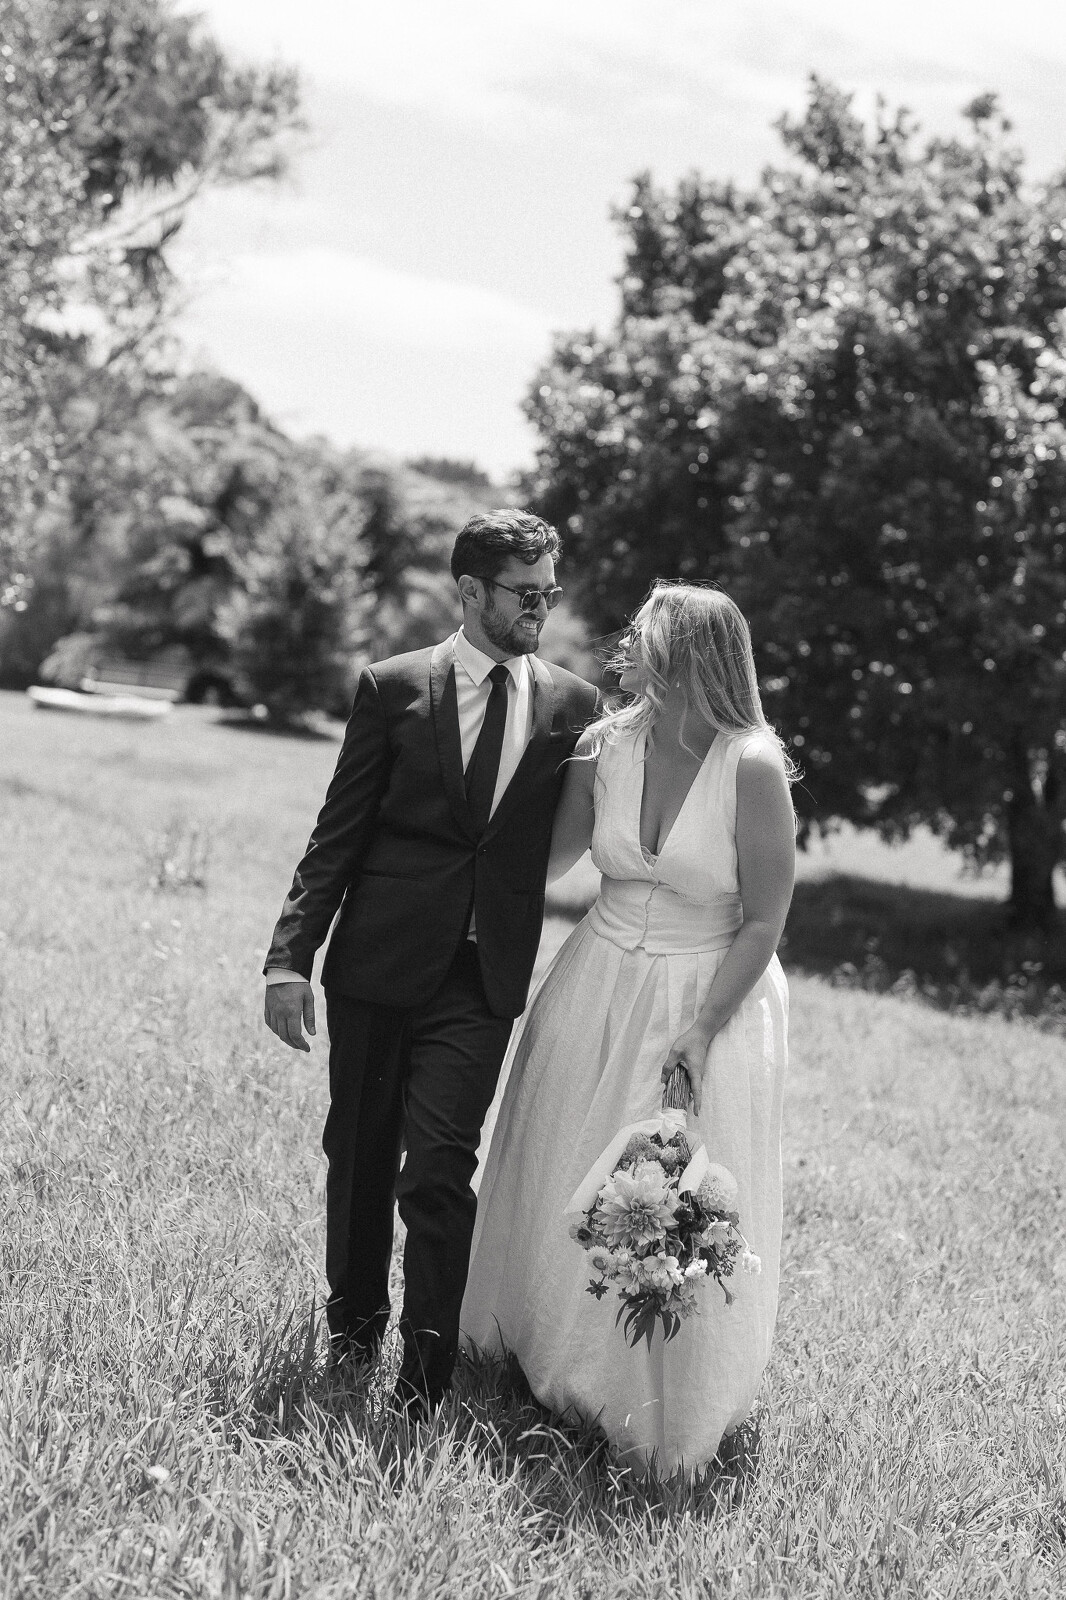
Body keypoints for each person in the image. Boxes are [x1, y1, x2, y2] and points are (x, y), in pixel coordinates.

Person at [262, 510, 599, 1419]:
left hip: (482, 982)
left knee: (440, 1170)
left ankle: (425, 1380)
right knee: (361, 1155)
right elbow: (336, 835)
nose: (541, 610)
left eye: (549, 593)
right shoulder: (393, 687)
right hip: (377, 965)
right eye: (525, 594)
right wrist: (289, 959)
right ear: (470, 591)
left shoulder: (575, 706)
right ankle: (352, 1337)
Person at [461, 581, 796, 1476]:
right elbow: (547, 860)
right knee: (559, 1156)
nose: (625, 646)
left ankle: (655, 1398)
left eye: (645, 636)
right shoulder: (604, 745)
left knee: (676, 1185)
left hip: (712, 992)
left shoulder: (752, 765)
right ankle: (531, 1353)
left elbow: (765, 919)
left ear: (687, 656)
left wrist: (701, 1030)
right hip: (597, 978)